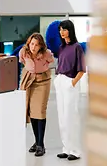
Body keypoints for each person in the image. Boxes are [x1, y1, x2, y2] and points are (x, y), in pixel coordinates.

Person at [54, 20, 86, 161]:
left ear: (70, 30)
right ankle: (66, 148)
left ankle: (75, 150)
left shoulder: (77, 47)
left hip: (70, 81)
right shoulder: (61, 48)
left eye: (64, 29)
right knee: (62, 117)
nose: (62, 32)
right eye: (60, 29)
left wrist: (72, 83)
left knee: (71, 116)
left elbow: (82, 69)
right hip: (60, 80)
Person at [19, 33, 54, 157]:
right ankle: (37, 142)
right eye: (32, 44)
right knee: (32, 112)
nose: (34, 47)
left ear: (41, 46)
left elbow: (51, 61)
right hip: (29, 81)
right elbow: (22, 62)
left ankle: (41, 144)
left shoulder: (47, 53)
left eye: (37, 45)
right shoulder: (23, 52)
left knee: (40, 111)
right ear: (29, 43)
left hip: (43, 82)